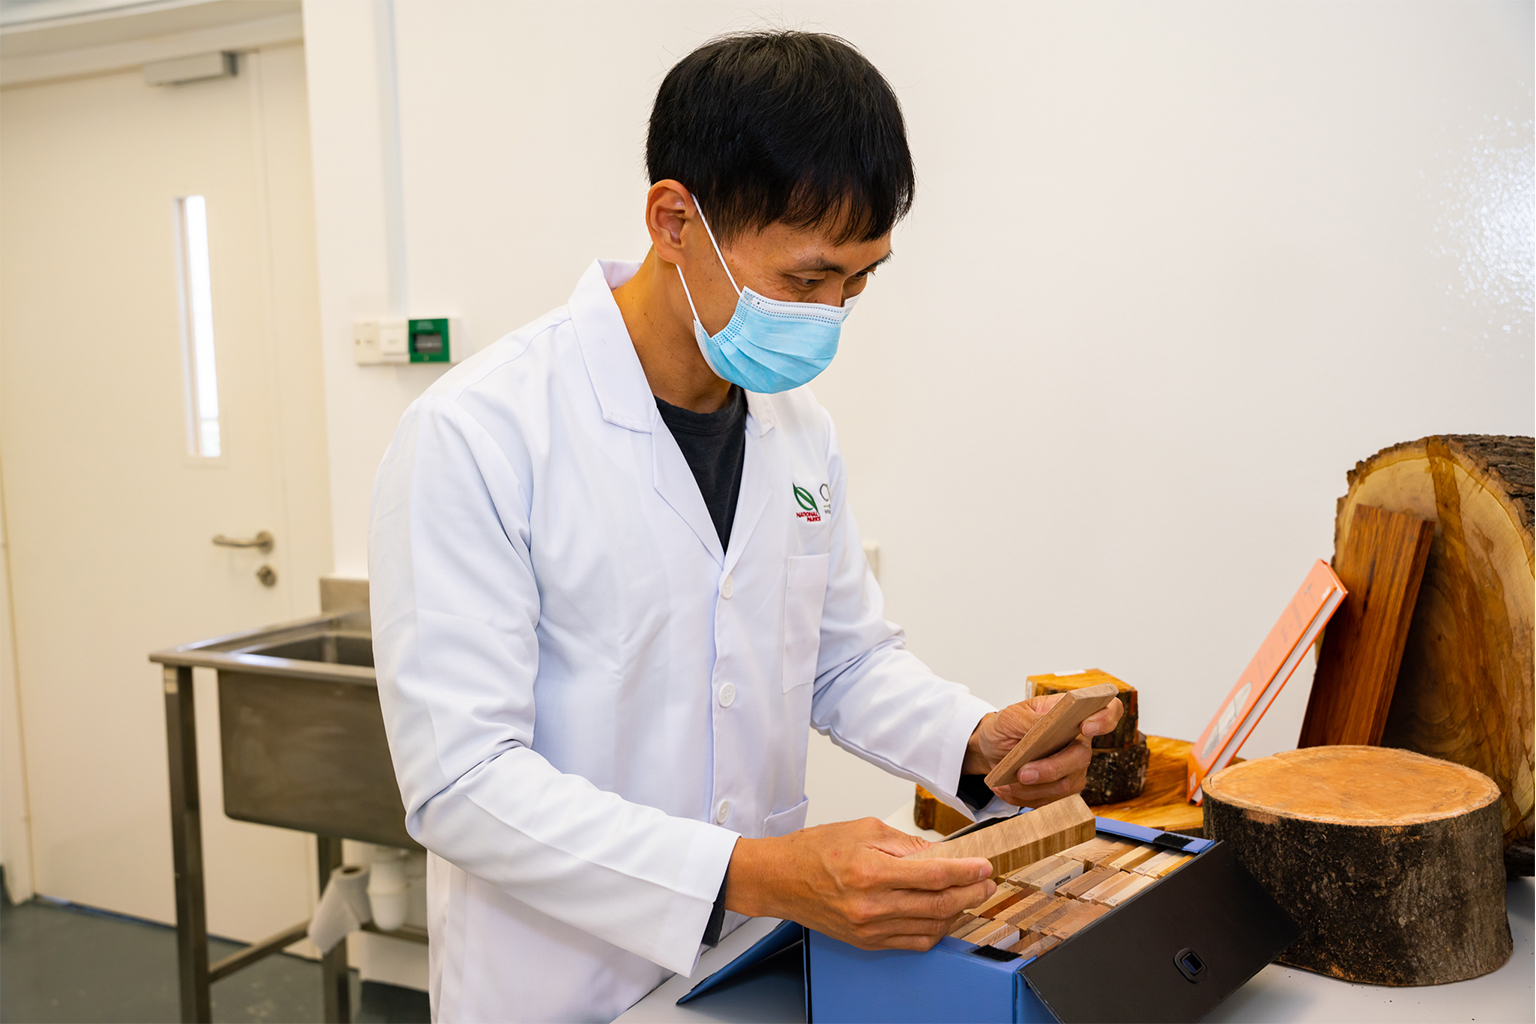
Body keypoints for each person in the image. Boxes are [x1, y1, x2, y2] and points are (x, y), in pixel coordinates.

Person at [369, 30, 1121, 1023]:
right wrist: (757, 871)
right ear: (675, 219)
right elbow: (461, 784)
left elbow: (839, 660)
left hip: (747, 973)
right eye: (807, 280)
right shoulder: (480, 434)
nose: (831, 315)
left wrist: (976, 741)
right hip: (560, 986)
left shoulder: (797, 433)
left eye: (859, 282)